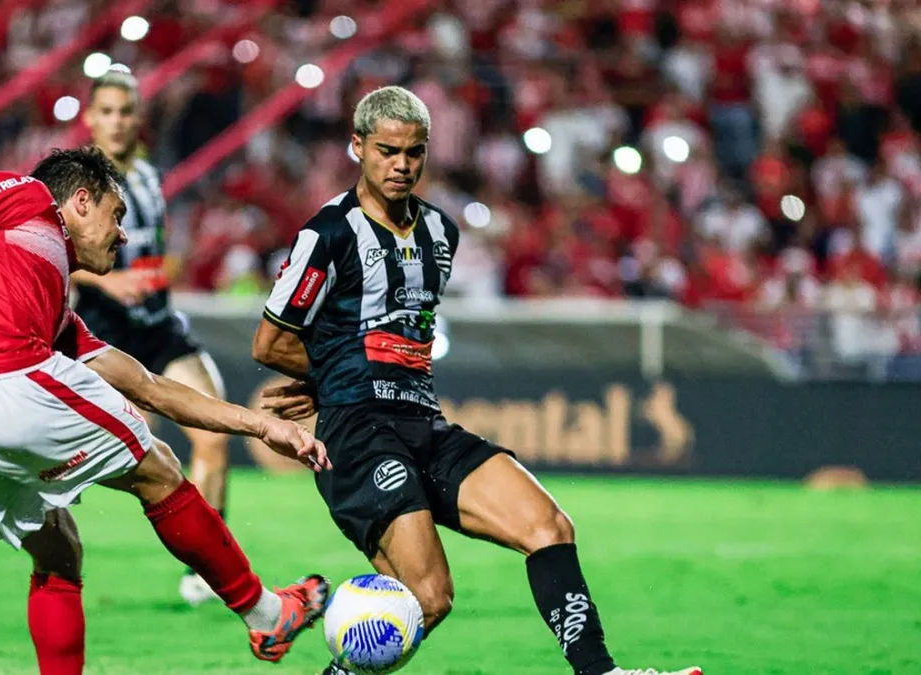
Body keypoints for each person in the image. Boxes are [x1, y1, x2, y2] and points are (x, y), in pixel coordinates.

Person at [253, 86, 702, 675]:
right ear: (357, 146)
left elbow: (404, 334)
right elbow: (271, 342)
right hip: (358, 434)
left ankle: (601, 672)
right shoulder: (329, 234)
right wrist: (337, 380)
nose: (402, 165)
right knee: (428, 598)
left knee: (548, 526)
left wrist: (344, 372)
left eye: (414, 152)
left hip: (425, 423)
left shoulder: (442, 232)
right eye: (387, 151)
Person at [0, 147, 331, 673]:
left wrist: (261, 425)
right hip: (2, 378)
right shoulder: (30, 196)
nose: (124, 235)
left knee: (58, 552)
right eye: (118, 215)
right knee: (159, 470)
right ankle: (267, 614)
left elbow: (151, 388)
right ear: (81, 201)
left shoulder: (49, 314)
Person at [72, 65, 232, 606]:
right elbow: (49, 253)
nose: (117, 122)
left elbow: (153, 252)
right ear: (90, 118)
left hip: (159, 325)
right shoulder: (75, 185)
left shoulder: (148, 177)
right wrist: (109, 282)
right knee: (72, 452)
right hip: (104, 331)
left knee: (214, 431)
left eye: (126, 112)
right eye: (107, 112)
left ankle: (208, 570)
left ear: (138, 117)